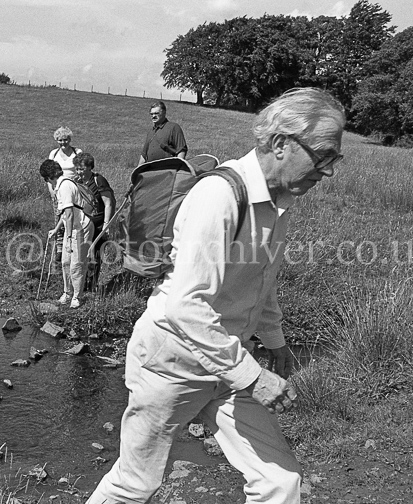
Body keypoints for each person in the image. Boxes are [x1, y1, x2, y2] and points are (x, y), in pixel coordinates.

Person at [86, 88, 346, 504]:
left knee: (280, 482)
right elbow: (184, 305)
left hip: (228, 362)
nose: (327, 170)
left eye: (334, 158)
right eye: (323, 155)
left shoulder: (277, 201)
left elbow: (259, 279)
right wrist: (254, 377)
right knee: (135, 484)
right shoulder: (219, 196)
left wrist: (274, 340)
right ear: (281, 143)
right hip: (172, 365)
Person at [40, 159, 94, 308]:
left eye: (46, 180)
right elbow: (65, 214)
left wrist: (69, 238)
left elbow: (69, 214)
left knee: (76, 263)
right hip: (72, 227)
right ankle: (67, 293)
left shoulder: (64, 186)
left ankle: (77, 297)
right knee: (65, 261)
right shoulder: (61, 185)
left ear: (49, 177)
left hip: (81, 227)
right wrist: (57, 229)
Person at [73, 152, 114, 291]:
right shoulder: (76, 181)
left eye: (81, 169)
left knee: (95, 255)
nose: (79, 172)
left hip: (98, 224)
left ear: (90, 167)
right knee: (81, 253)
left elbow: (108, 203)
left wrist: (106, 225)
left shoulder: (99, 181)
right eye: (77, 169)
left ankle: (92, 284)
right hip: (83, 224)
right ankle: (81, 283)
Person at [46, 126, 83, 262]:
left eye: (66, 139)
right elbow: (49, 172)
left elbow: (81, 169)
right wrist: (51, 190)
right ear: (56, 140)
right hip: (58, 190)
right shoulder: (53, 154)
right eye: (60, 140)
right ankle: (60, 248)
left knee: (73, 216)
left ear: (70, 139)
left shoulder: (77, 152)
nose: (63, 143)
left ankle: (75, 243)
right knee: (59, 218)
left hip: (73, 190)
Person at [138, 101, 188, 165]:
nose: (153, 116)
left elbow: (181, 150)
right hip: (151, 169)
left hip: (168, 168)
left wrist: (178, 167)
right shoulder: (151, 132)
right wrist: (138, 170)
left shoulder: (173, 127)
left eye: (156, 113)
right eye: (151, 114)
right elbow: (143, 156)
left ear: (164, 113)